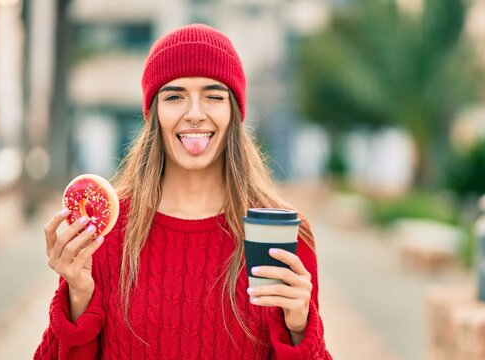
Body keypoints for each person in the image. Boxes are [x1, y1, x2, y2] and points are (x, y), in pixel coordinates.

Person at [34, 23, 332, 359]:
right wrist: (78, 298)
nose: (194, 114)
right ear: (154, 113)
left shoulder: (281, 236)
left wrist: (299, 328)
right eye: (174, 96)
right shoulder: (105, 233)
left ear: (233, 112)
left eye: (214, 96)